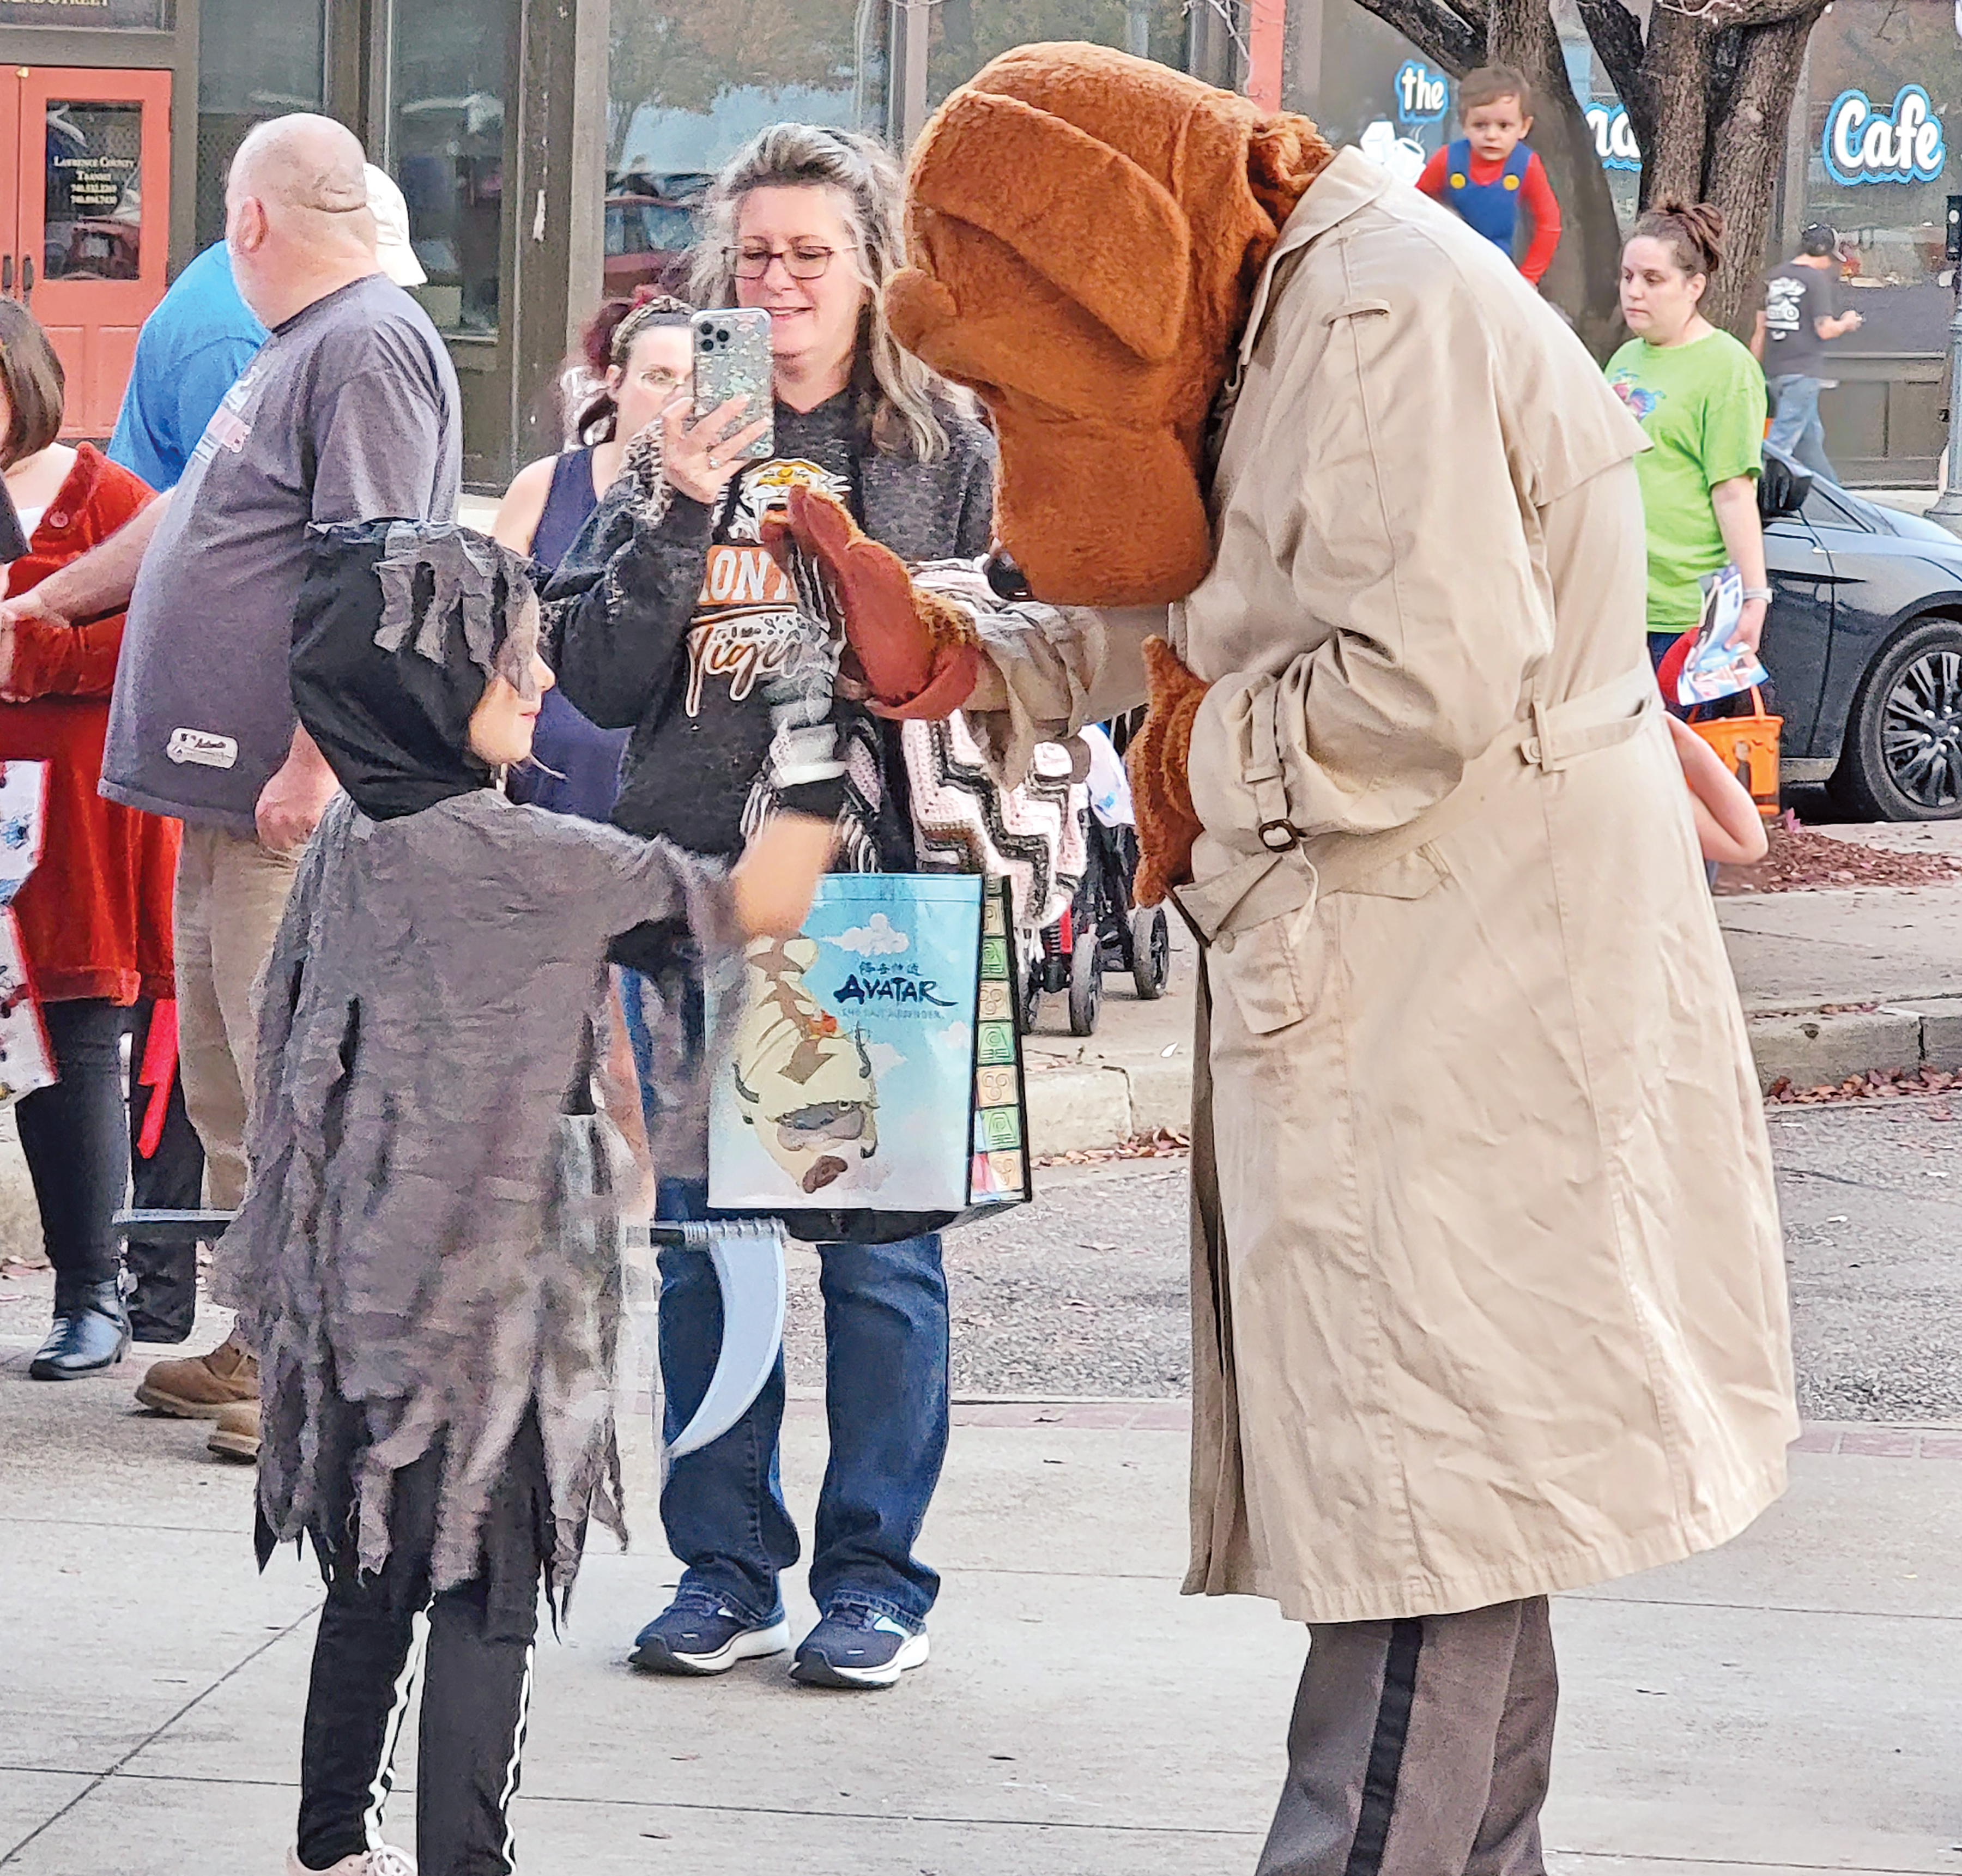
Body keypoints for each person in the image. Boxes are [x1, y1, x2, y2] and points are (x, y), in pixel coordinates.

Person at [830, 44, 1792, 1868]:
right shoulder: (1282, 310)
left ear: (1102, 266)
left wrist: (1184, 766)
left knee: (1429, 1520)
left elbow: (1406, 690)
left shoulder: (1365, 324)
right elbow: (1212, 601)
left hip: (1459, 1000)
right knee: (1456, 1528)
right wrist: (976, 650)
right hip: (1438, 982)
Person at [233, 522, 837, 1876]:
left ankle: (332, 1839)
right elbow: (760, 903)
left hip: (357, 1263)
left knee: (376, 1551)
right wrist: (814, 733)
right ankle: (466, 1858)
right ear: (432, 688)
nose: (537, 682)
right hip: (497, 1277)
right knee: (488, 1579)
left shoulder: (352, 834)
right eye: (509, 663)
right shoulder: (536, 859)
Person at [547, 122, 994, 1690]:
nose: (782, 280)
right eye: (756, 256)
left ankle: (874, 1579)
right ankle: (724, 1567)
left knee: (876, 1264)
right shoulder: (673, 424)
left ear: (871, 262)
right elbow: (594, 679)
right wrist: (676, 503)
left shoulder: (947, 443)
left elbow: (995, 649)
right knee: (708, 1247)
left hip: (871, 894)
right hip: (703, 899)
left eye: (811, 252)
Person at [0, 113, 460, 1465]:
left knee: (295, 1073)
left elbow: (379, 567)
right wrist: (36, 607)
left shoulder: (366, 344)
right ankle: (265, 1329)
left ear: (248, 220)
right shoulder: (293, 348)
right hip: (225, 794)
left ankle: (324, 1367)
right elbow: (190, 517)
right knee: (230, 1083)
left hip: (289, 794)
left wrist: (317, 760)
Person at [0, 303, 178, 1380]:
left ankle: (93, 1292)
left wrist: (31, 653)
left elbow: (163, 632)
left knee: (71, 1048)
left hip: (72, 822)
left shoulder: (106, 496)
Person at [492, 295, 695, 819]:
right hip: (551, 770)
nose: (677, 398)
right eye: (658, 377)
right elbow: (486, 623)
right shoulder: (545, 484)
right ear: (615, 381)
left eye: (693, 381)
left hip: (665, 772)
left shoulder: (719, 502)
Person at [1608, 201, 1772, 664]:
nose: (1634, 291)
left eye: (1653, 279)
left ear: (1694, 286)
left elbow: (1734, 491)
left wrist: (1754, 596)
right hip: (1613, 604)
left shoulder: (1728, 367)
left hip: (1684, 616)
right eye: (1627, 276)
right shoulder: (1623, 360)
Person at [1416, 65, 1561, 288]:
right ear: (1464, 124)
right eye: (1480, 125)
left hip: (1499, 269)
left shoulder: (1527, 165)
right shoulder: (1446, 160)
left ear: (1524, 126)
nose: (1491, 136)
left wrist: (1529, 277)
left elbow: (1549, 224)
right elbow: (1413, 208)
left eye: (1504, 126)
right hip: (1446, 265)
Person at [1752, 222, 1860, 487]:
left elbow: (1760, 330)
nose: (1830, 266)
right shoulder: (1815, 280)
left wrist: (1754, 371)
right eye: (1830, 259)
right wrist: (1847, 322)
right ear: (1822, 253)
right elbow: (1823, 330)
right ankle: (1750, 490)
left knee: (1809, 444)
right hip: (1802, 373)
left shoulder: (1774, 277)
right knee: (1778, 446)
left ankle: (1838, 501)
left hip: (1774, 372)